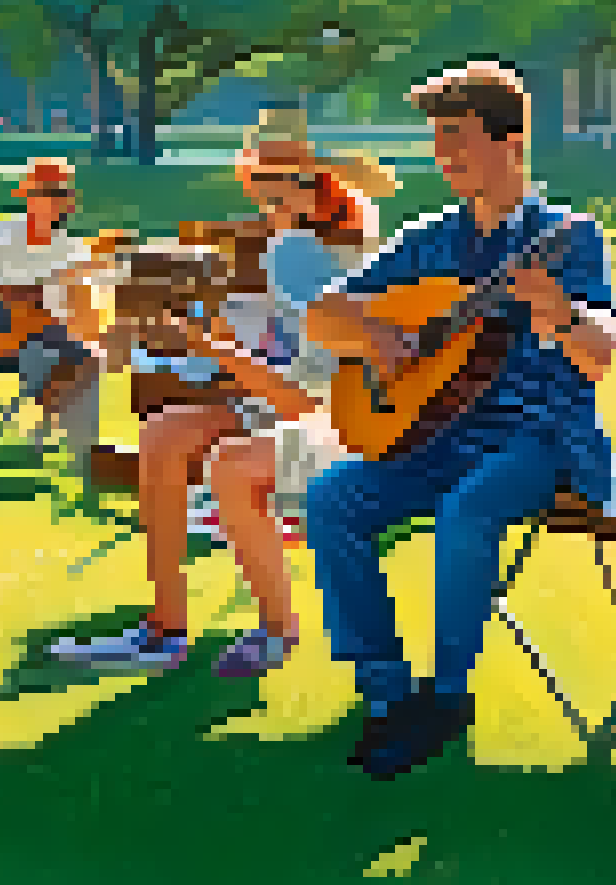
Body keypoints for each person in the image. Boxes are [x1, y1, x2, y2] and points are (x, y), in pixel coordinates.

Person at [304, 62, 616, 779]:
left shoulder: (567, 236)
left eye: (458, 136)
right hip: (438, 435)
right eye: (437, 137)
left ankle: (445, 697)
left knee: (468, 506)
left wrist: (558, 312)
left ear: (510, 142)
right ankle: (387, 692)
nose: (443, 153)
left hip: (541, 437)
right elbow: (324, 314)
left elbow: (599, 356)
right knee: (332, 498)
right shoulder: (431, 240)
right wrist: (375, 335)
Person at [52, 110, 391, 678]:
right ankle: (164, 630)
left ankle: (275, 630)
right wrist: (207, 348)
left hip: (350, 423)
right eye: (260, 180)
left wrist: (211, 348)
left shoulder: (304, 255)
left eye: (281, 180)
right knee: (162, 435)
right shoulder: (296, 243)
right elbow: (279, 359)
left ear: (315, 183)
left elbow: (306, 400)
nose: (266, 194)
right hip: (298, 404)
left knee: (225, 459)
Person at [0, 158, 130, 425]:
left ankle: (74, 439)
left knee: (84, 354)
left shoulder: (72, 249)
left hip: (46, 337)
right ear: (29, 197)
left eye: (60, 194)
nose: (53, 202)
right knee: (50, 351)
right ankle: (60, 433)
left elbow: (84, 303)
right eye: (46, 192)